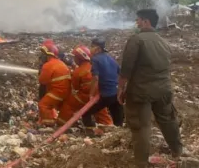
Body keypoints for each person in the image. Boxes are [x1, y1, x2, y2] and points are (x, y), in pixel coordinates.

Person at [119, 9, 183, 167]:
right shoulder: (163, 41)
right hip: (164, 90)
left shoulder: (136, 40)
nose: (137, 23)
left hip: (141, 92)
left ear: (146, 21)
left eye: (138, 20)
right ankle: (178, 151)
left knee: (141, 126)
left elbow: (126, 68)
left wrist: (121, 89)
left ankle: (141, 162)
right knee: (168, 121)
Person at [56, 45, 113, 127]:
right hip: (100, 94)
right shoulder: (95, 65)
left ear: (79, 58)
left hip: (85, 96)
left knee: (69, 104)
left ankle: (62, 123)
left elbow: (75, 87)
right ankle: (109, 126)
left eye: (75, 57)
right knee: (101, 111)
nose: (74, 59)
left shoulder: (78, 71)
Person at [79, 37, 124, 130]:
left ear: (98, 48)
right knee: (118, 120)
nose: (91, 48)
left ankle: (90, 132)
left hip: (106, 94)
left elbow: (95, 78)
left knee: (86, 113)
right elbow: (121, 74)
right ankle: (117, 136)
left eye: (92, 46)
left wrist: (91, 95)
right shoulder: (110, 58)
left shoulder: (95, 59)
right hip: (116, 93)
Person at [37, 42, 71, 126]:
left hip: (58, 91)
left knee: (43, 104)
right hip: (66, 91)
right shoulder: (60, 63)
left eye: (44, 54)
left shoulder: (48, 65)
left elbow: (42, 81)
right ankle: (62, 122)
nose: (42, 56)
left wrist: (41, 73)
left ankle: (48, 124)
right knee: (60, 106)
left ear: (48, 54)